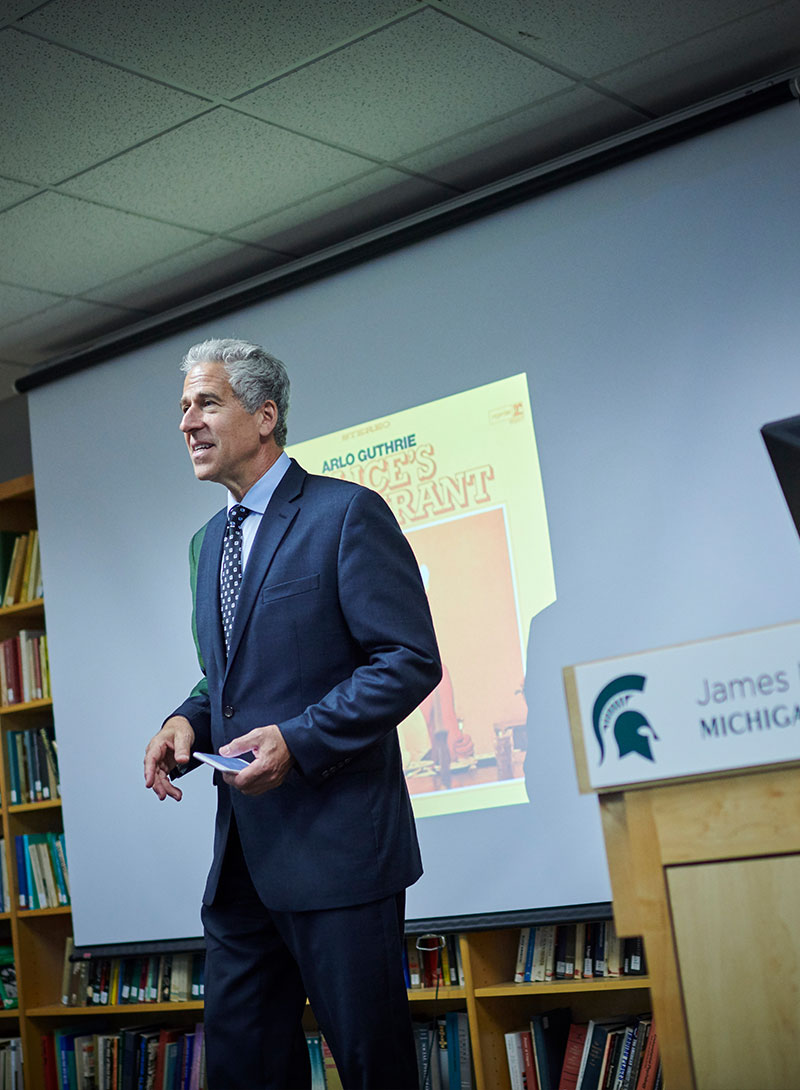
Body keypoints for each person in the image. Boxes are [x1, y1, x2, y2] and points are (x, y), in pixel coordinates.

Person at [143, 338, 442, 1090]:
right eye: (183, 407)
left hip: (339, 854)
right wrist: (185, 720)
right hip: (243, 867)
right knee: (242, 1070)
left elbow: (407, 659)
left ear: (265, 414)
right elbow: (227, 679)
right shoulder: (207, 544)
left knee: (375, 1069)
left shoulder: (346, 514)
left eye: (207, 402)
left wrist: (298, 742)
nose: (188, 423)